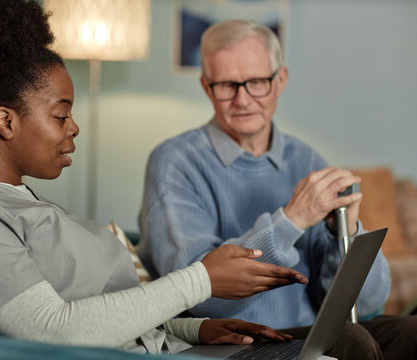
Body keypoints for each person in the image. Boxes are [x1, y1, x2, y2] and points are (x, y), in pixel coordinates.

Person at [0, 1, 310, 355]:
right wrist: (201, 280)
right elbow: (52, 330)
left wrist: (196, 327)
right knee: (351, 344)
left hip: (180, 347)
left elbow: (100, 312)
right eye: (61, 115)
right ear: (5, 121)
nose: (74, 128)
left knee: (353, 338)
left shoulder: (15, 200)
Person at [137, 19, 417, 359]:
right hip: (226, 340)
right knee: (350, 341)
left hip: (311, 331)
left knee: (409, 331)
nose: (242, 100)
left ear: (280, 80)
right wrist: (292, 219)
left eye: (256, 82)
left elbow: (369, 303)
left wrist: (346, 233)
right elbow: (198, 294)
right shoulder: (174, 161)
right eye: (226, 85)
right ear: (206, 86)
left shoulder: (305, 159)